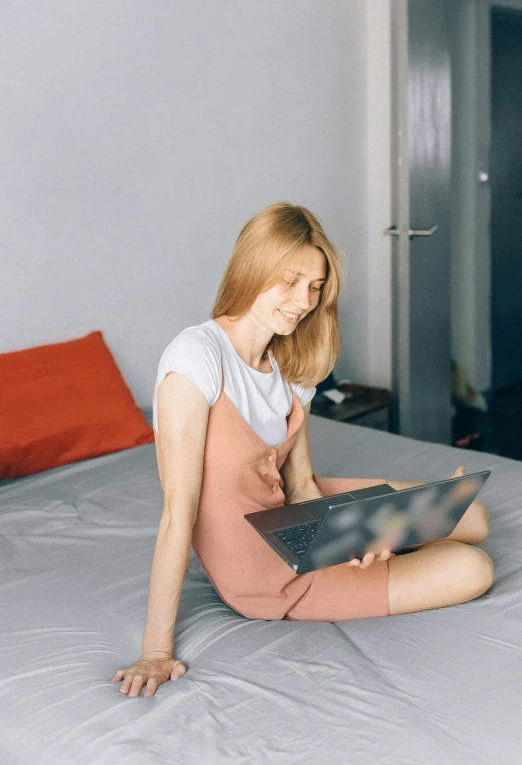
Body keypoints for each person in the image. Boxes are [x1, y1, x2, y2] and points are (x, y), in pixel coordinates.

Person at [112, 202, 494, 698]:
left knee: (474, 514)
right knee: (474, 569)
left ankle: (399, 540)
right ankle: (406, 541)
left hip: (295, 521)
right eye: (290, 282)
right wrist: (156, 651)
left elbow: (302, 485)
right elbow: (176, 514)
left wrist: (349, 537)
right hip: (259, 566)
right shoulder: (196, 357)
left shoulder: (291, 360)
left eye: (314, 287)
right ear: (253, 268)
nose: (304, 301)